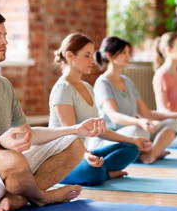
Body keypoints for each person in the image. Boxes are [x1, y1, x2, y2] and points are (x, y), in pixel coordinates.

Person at [0, 10, 101, 211]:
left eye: (5, 36)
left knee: (73, 143)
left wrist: (75, 129)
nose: (5, 41)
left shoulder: (4, 85)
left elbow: (27, 133)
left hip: (4, 168)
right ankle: (42, 197)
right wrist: (0, 141)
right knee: (11, 158)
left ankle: (17, 197)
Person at [49, 33, 151, 185]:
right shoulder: (63, 88)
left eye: (92, 55)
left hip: (82, 154)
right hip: (61, 157)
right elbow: (70, 134)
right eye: (87, 56)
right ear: (70, 56)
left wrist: (133, 140)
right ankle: (105, 173)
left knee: (131, 149)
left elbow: (100, 129)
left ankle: (102, 171)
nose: (92, 60)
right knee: (92, 172)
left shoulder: (87, 87)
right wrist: (84, 154)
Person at [94, 36, 177, 164]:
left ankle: (151, 154)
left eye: (129, 52)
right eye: (123, 53)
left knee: (172, 122)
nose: (128, 56)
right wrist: (139, 122)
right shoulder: (102, 83)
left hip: (135, 131)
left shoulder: (127, 82)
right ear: (110, 56)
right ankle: (149, 152)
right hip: (113, 136)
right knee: (139, 130)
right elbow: (114, 116)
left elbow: (147, 113)